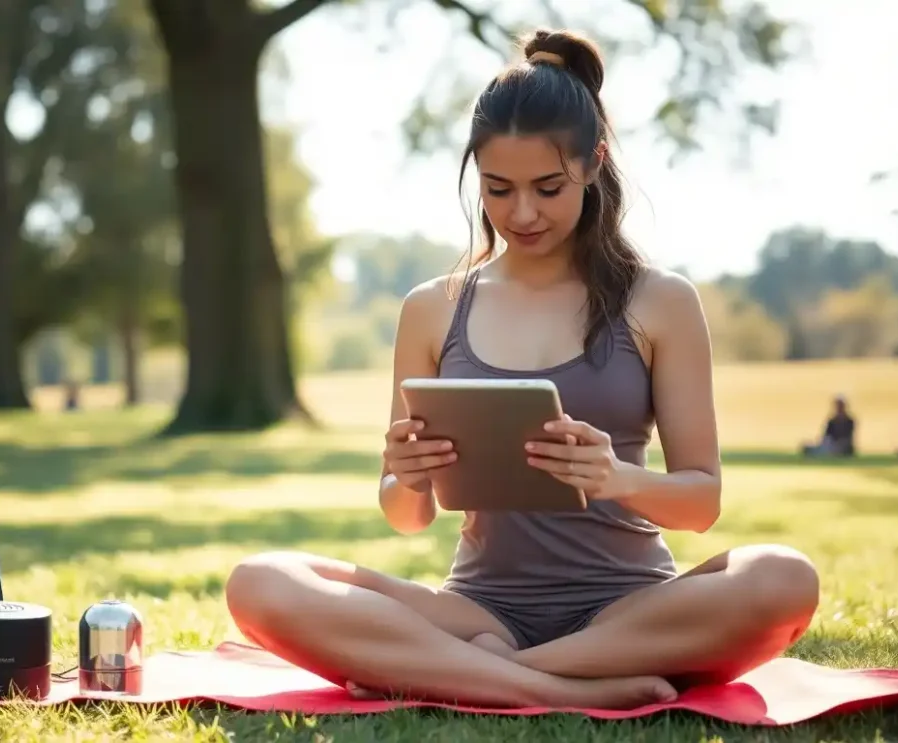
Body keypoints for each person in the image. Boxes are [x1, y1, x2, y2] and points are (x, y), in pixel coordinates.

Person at [223, 29, 821, 711]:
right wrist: (406, 474)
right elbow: (406, 515)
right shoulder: (432, 307)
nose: (522, 213)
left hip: (632, 614)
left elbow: (701, 502)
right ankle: (557, 686)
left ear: (594, 163)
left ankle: (473, 676)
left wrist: (617, 477)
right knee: (259, 581)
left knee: (783, 577)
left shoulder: (661, 301)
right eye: (498, 189)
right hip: (480, 613)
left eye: (547, 187)